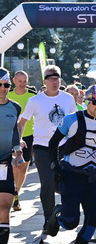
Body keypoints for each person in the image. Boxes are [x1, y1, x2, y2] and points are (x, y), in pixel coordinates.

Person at [45, 86, 96, 244]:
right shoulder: (71, 120)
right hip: (72, 176)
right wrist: (55, 166)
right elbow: (53, 143)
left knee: (93, 220)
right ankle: (58, 214)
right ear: (87, 102)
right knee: (71, 222)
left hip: (95, 179)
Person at [18, 66, 77, 234]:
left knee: (65, 182)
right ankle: (49, 219)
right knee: (48, 183)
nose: (54, 81)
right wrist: (19, 140)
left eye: (56, 78)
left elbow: (75, 121)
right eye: (51, 78)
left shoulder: (67, 98)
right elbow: (22, 122)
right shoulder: (35, 101)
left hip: (63, 146)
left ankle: (64, 212)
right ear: (45, 81)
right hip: (42, 147)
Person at [0, 68, 25, 244]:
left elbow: (14, 132)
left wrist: (18, 150)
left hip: (4, 164)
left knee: (4, 210)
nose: (2, 88)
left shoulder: (15, 107)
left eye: (6, 85)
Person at [8, 70, 36, 212]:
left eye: (25, 81)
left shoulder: (32, 96)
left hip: (29, 135)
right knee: (14, 166)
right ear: (14, 81)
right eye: (20, 81)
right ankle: (12, 191)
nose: (22, 84)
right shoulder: (7, 95)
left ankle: (16, 194)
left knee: (24, 166)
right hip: (11, 134)